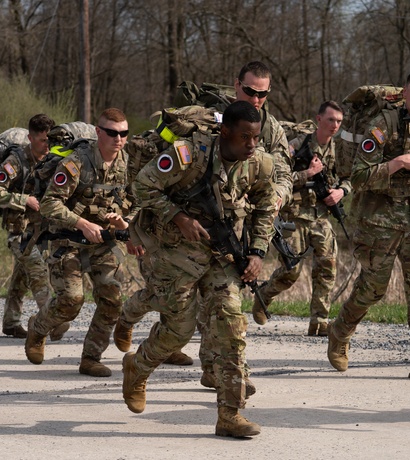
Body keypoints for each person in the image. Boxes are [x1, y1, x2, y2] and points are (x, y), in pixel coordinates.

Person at [114, 60, 292, 386]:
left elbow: (280, 176)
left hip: (226, 230)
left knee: (225, 309)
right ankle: (131, 330)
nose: (256, 99)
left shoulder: (271, 129)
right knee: (174, 314)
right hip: (177, 238)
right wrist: (174, 216)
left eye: (263, 94)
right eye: (250, 91)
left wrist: (275, 201)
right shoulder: (205, 120)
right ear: (237, 85)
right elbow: (150, 178)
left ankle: (223, 377)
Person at [121, 100, 276, 438]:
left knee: (231, 327)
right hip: (177, 251)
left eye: (256, 137)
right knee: (180, 330)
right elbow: (143, 186)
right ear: (225, 132)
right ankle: (138, 366)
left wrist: (257, 251)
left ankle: (230, 414)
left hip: (223, 256)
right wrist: (178, 217)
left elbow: (266, 206)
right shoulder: (188, 154)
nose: (251, 144)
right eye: (244, 137)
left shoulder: (259, 163)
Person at [325, 68, 410, 379]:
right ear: (405, 92)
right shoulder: (383, 125)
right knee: (373, 288)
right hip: (378, 222)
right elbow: (358, 177)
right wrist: (398, 162)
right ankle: (339, 332)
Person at [25, 107, 131, 378]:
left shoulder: (126, 163)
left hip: (103, 243)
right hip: (68, 240)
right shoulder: (76, 163)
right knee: (71, 300)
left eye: (124, 133)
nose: (118, 139)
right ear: (98, 132)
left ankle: (91, 358)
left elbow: (135, 200)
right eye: (112, 133)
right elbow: (49, 203)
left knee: (112, 299)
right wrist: (82, 223)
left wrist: (124, 221)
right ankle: (38, 328)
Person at [254, 101, 348, 336]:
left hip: (320, 216)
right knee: (291, 271)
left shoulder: (339, 149)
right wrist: (309, 173)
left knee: (327, 268)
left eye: (339, 121)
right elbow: (279, 177)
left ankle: (319, 321)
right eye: (331, 120)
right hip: (294, 216)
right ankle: (264, 294)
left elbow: (349, 177)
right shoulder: (297, 145)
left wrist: (341, 191)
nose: (335, 125)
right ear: (319, 119)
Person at [0, 114, 56, 339]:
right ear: (30, 138)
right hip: (18, 232)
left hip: (41, 231)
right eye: (42, 140)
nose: (47, 145)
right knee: (38, 271)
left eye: (50, 140)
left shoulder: (53, 159)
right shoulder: (16, 161)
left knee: (21, 277)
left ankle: (11, 322)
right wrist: (24, 200)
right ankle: (52, 320)